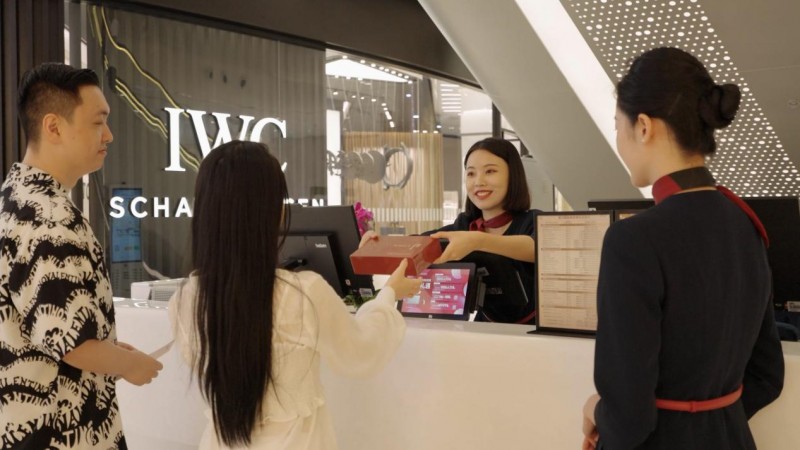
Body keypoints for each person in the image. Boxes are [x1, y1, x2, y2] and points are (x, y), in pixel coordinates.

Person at [581, 47, 784, 450]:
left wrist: (596, 409)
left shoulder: (632, 239)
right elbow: (767, 377)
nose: (619, 140)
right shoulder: (746, 224)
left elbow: (628, 419)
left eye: (618, 126)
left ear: (643, 127)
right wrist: (706, 417)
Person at [168, 140, 422, 449]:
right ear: (270, 211)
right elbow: (361, 353)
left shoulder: (185, 300)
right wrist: (389, 294)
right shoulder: (302, 294)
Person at [0, 63, 163, 449]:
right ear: (53, 127)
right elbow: (72, 342)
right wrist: (131, 366)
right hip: (63, 432)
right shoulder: (50, 216)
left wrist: (109, 348)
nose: (109, 135)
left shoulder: (14, 199)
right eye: (97, 122)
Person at [361, 137, 539, 324]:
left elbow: (538, 248)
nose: (478, 181)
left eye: (490, 171)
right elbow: (420, 243)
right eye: (471, 173)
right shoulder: (464, 224)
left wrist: (478, 241)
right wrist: (378, 243)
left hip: (534, 330)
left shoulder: (533, 221)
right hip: (486, 327)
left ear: (513, 175)